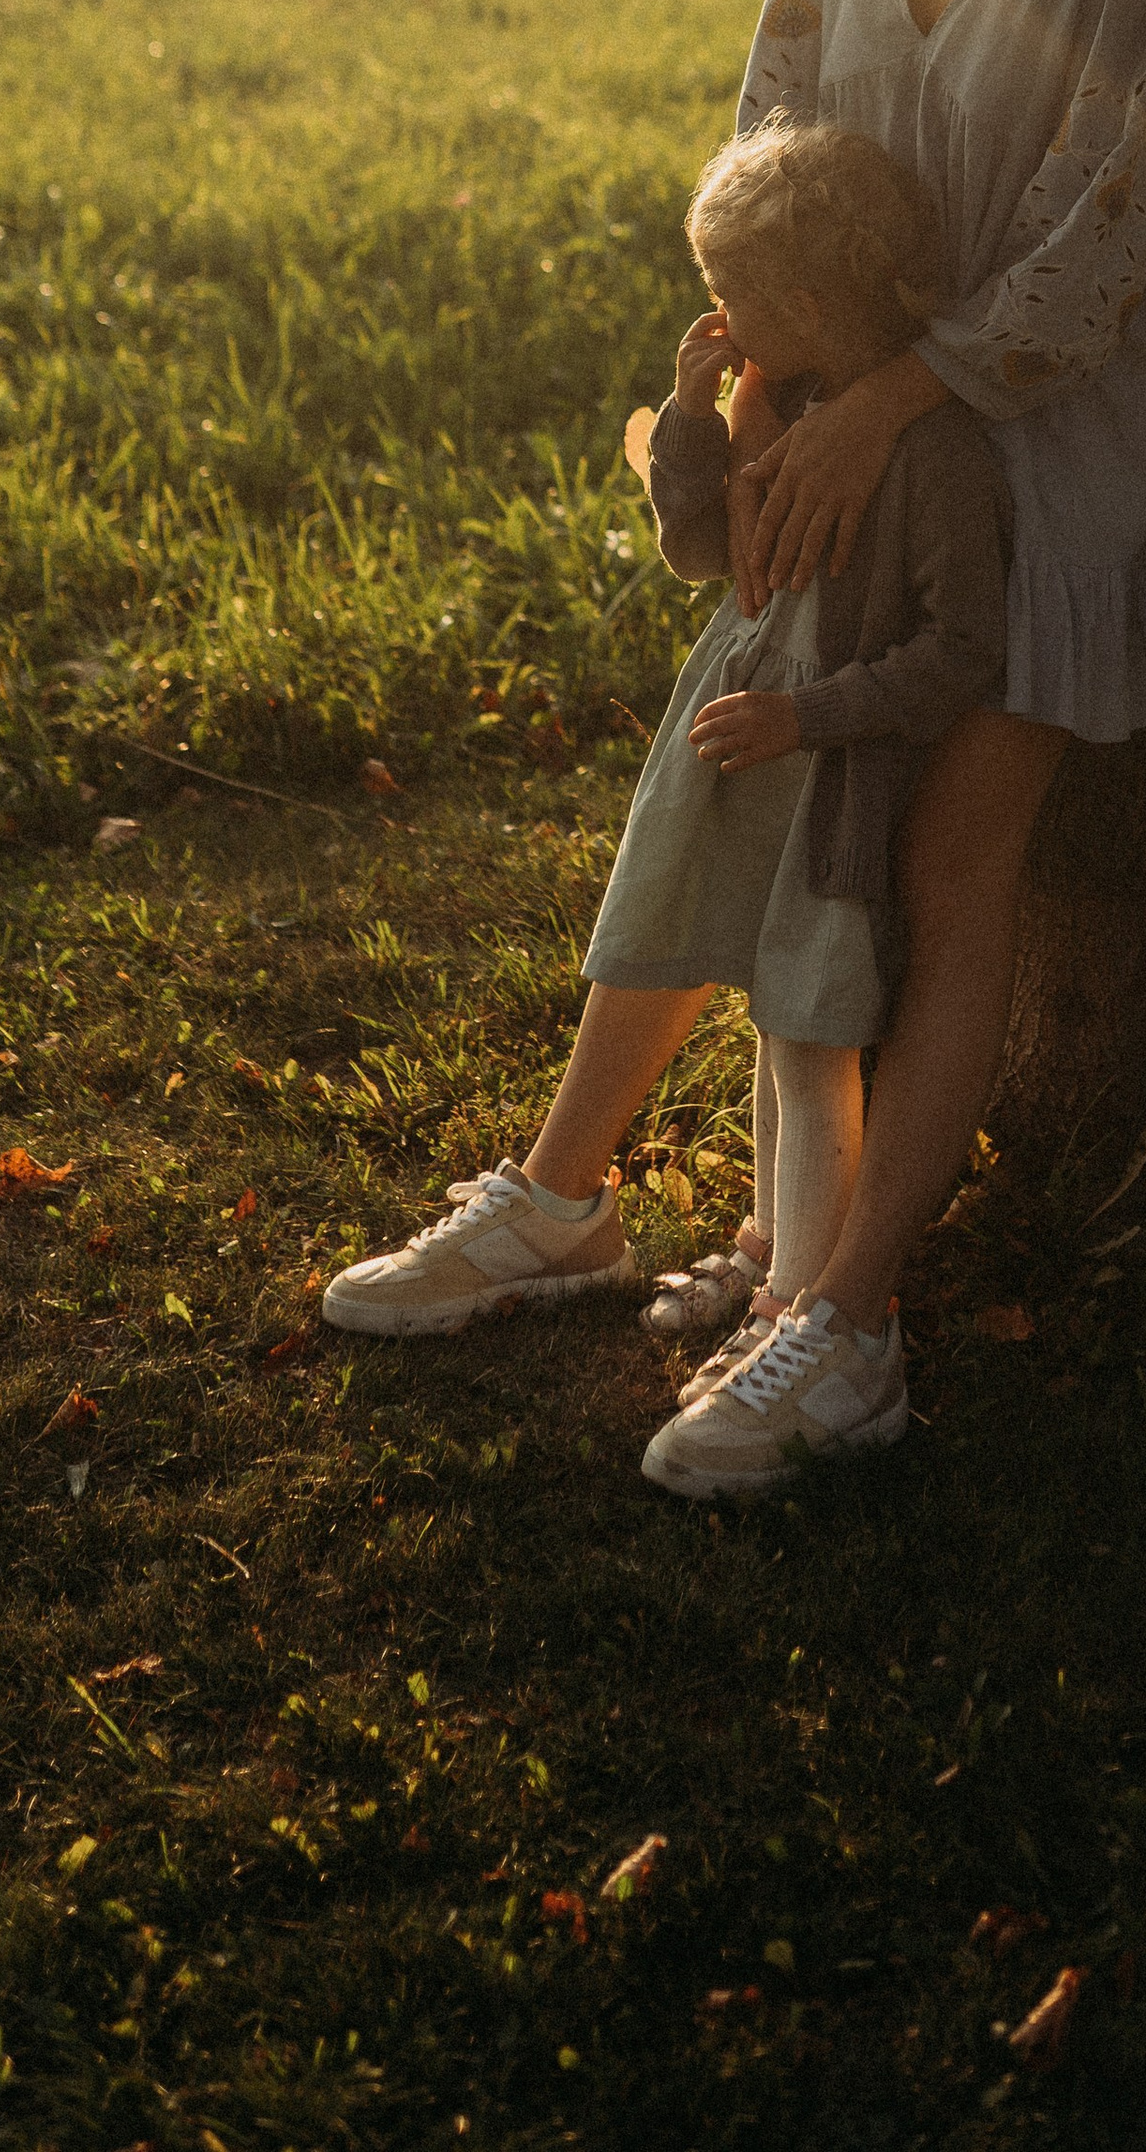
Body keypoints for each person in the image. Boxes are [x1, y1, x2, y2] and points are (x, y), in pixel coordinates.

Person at [329, 0, 1146, 1494]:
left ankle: (849, 1323)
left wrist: (897, 396)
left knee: (947, 865)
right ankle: (564, 1201)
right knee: (738, 779)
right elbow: (773, 152)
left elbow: (1098, 241)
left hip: (1038, 435)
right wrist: (768, 386)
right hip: (846, 418)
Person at [321, 121, 1007, 1413]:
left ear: (811, 305)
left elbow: (963, 647)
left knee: (808, 1032)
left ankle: (804, 1308)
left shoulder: (933, 454)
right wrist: (691, 418)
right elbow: (699, 552)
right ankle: (760, 1264)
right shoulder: (791, 408)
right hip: (734, 765)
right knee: (751, 1003)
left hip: (826, 782)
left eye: (735, 292)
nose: (719, 315)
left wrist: (806, 716)